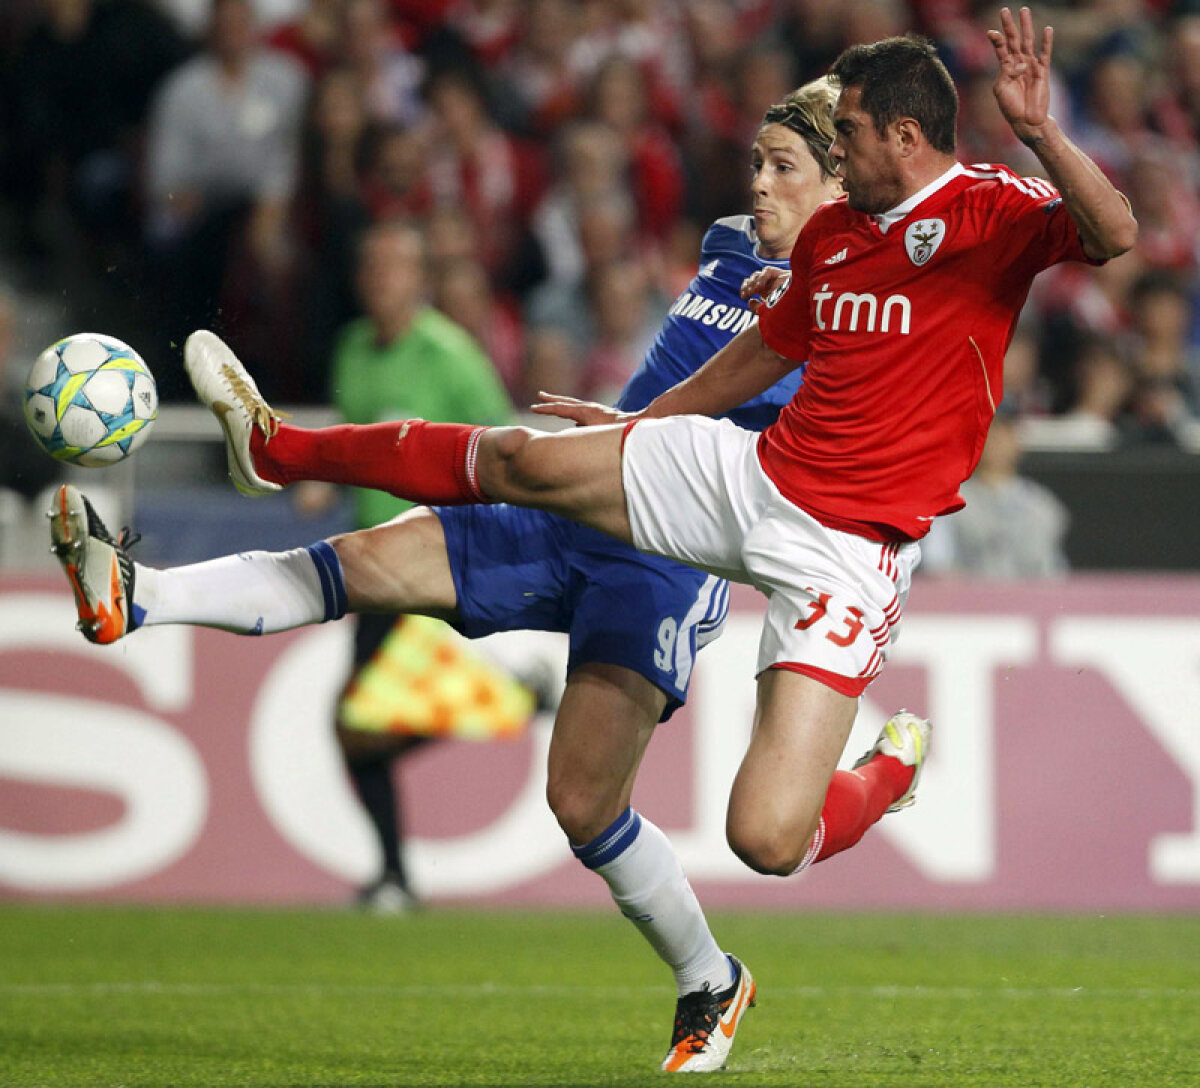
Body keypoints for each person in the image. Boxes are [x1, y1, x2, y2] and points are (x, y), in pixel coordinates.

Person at [54, 80, 931, 1074]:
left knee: (583, 805)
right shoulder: (731, 243)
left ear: (841, 183)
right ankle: (141, 594)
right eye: (757, 162)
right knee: (369, 560)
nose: (759, 184)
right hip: (583, 496)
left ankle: (712, 976)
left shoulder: (861, 307)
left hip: (667, 560)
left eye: (784, 168)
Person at [321, 218, 517, 911]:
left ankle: (395, 875)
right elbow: (355, 446)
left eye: (394, 265)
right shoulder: (352, 349)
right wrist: (321, 480)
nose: (380, 279)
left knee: (354, 725)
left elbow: (504, 451)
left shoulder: (450, 357)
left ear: (420, 279)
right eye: (371, 265)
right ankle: (395, 876)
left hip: (431, 560)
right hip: (369, 569)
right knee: (356, 728)